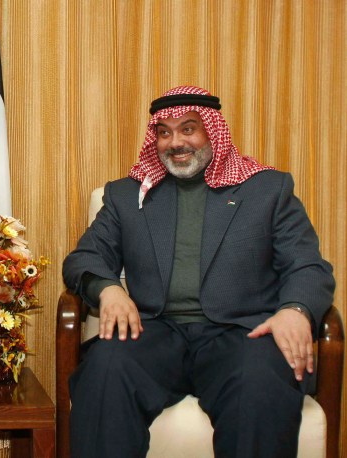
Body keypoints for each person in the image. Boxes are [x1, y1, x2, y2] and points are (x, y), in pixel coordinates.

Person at [62, 85, 335, 458]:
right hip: (153, 331)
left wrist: (296, 310)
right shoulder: (127, 196)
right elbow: (84, 258)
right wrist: (108, 289)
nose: (175, 142)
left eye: (188, 128)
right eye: (165, 132)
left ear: (212, 131)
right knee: (105, 370)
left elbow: (307, 266)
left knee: (259, 384)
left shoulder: (268, 190)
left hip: (241, 334)